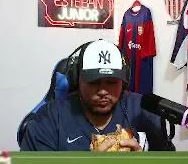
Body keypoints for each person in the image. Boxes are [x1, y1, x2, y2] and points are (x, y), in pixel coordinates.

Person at [19, 40, 173, 152]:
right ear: (77, 79)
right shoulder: (49, 118)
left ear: (124, 82)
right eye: (94, 82)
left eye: (112, 82)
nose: (103, 91)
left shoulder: (145, 113)